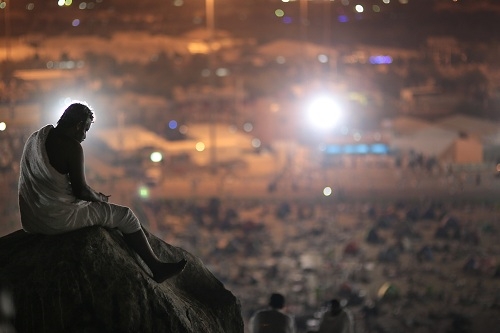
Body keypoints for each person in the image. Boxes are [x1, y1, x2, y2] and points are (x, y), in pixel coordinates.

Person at [18, 102, 187, 283]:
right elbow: (81, 191)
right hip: (56, 219)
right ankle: (157, 267)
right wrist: (100, 198)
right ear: (78, 125)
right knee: (125, 215)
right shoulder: (72, 147)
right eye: (86, 129)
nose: (84, 136)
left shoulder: (36, 138)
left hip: (31, 219)